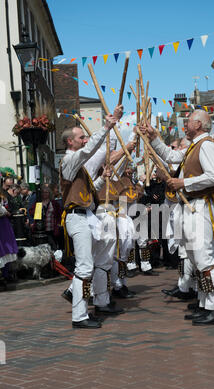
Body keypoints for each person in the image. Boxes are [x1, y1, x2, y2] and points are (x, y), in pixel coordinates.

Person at [141, 109, 214, 325]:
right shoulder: (193, 146)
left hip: (201, 205)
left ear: (198, 124)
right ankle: (205, 302)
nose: (184, 125)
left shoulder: (206, 144)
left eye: (188, 122)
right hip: (191, 206)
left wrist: (183, 183)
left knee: (204, 256)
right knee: (196, 257)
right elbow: (171, 156)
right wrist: (154, 137)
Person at [60, 104, 123, 329]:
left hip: (86, 215)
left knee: (100, 256)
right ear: (70, 142)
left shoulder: (79, 168)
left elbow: (88, 192)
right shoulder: (69, 160)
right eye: (81, 137)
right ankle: (79, 316)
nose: (85, 140)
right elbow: (89, 152)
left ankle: (96, 301)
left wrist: (102, 178)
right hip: (77, 218)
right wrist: (106, 126)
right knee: (84, 266)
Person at [29, 185, 63, 250]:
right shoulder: (38, 203)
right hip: (41, 230)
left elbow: (59, 214)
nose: (44, 194)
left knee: (53, 247)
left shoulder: (54, 203)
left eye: (46, 192)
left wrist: (58, 224)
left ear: (49, 193)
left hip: (52, 229)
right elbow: (31, 212)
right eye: (43, 192)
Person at [0, 188, 18, 283]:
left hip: (3, 224)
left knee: (5, 248)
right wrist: (6, 212)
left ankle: (5, 274)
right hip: (2, 223)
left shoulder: (3, 194)